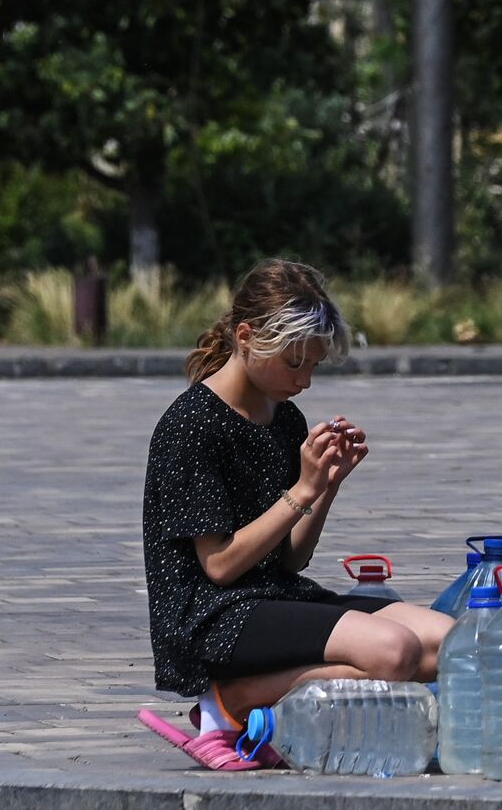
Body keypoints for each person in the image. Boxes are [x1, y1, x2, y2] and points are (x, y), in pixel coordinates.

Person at [136, 259, 454, 770]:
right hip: (211, 616)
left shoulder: (283, 416)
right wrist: (302, 488)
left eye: (313, 365)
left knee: (452, 643)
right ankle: (231, 700)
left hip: (274, 596)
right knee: (394, 652)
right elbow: (219, 566)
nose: (304, 380)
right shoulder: (190, 424)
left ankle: (259, 703)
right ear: (246, 337)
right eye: (294, 362)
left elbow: (290, 560)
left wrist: (325, 485)